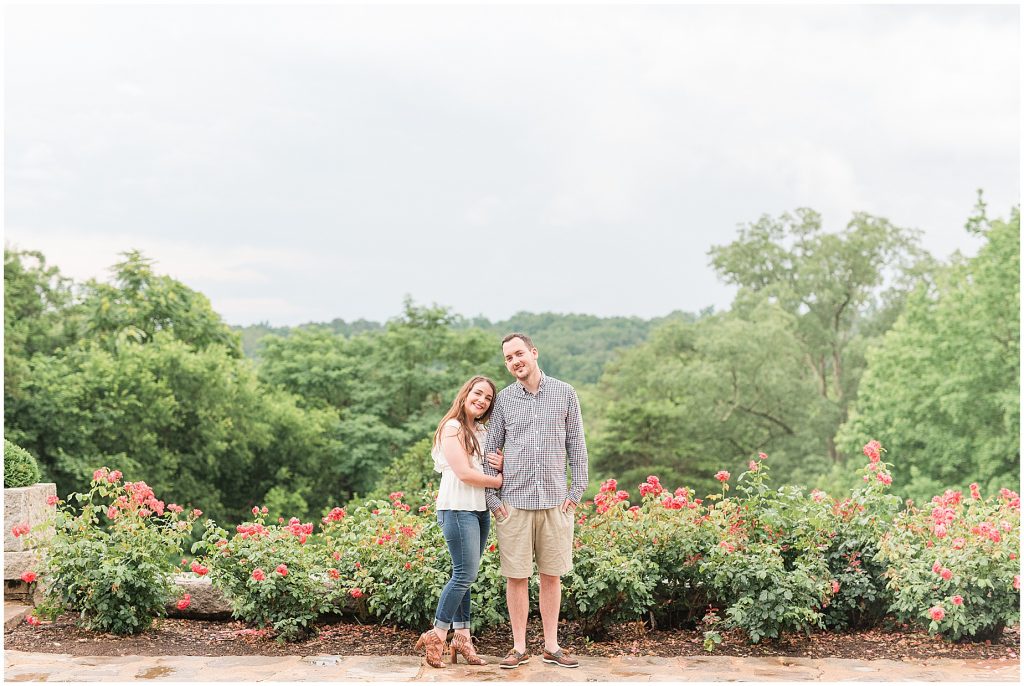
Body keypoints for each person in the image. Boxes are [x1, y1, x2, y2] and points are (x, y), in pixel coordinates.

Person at [481, 332, 589, 669]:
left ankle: (552, 646)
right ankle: (518, 647)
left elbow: (578, 448)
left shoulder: (565, 393)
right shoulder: (504, 401)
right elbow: (490, 451)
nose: (514, 362)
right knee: (516, 577)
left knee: (551, 576)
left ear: (533, 353)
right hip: (513, 504)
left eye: (518, 354)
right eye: (508, 359)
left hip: (556, 502)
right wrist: (493, 501)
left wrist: (575, 493)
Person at [415, 375, 504, 668]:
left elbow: (491, 461)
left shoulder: (481, 430)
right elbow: (465, 474)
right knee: (464, 574)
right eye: (478, 393)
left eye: (488, 398)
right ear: (466, 394)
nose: (482, 400)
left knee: (465, 575)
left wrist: (502, 465)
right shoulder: (452, 428)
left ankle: (462, 637)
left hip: (478, 510)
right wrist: (498, 479)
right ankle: (438, 634)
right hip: (456, 508)